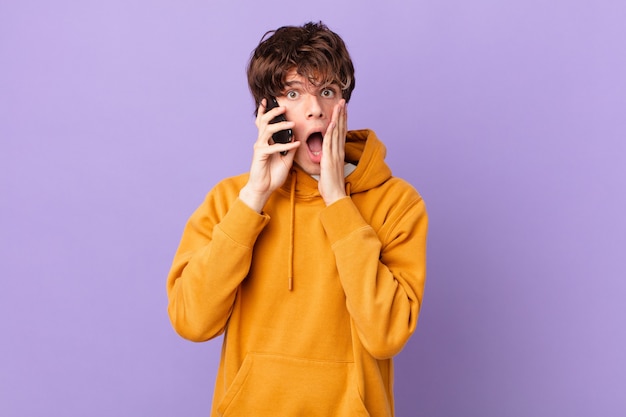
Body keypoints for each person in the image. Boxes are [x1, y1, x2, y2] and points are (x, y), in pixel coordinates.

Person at [166, 21, 428, 417]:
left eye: (327, 91)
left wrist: (338, 200)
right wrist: (253, 198)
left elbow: (386, 334)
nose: (315, 108)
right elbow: (192, 320)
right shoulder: (230, 201)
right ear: (268, 111)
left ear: (342, 103)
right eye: (293, 93)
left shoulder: (397, 203)